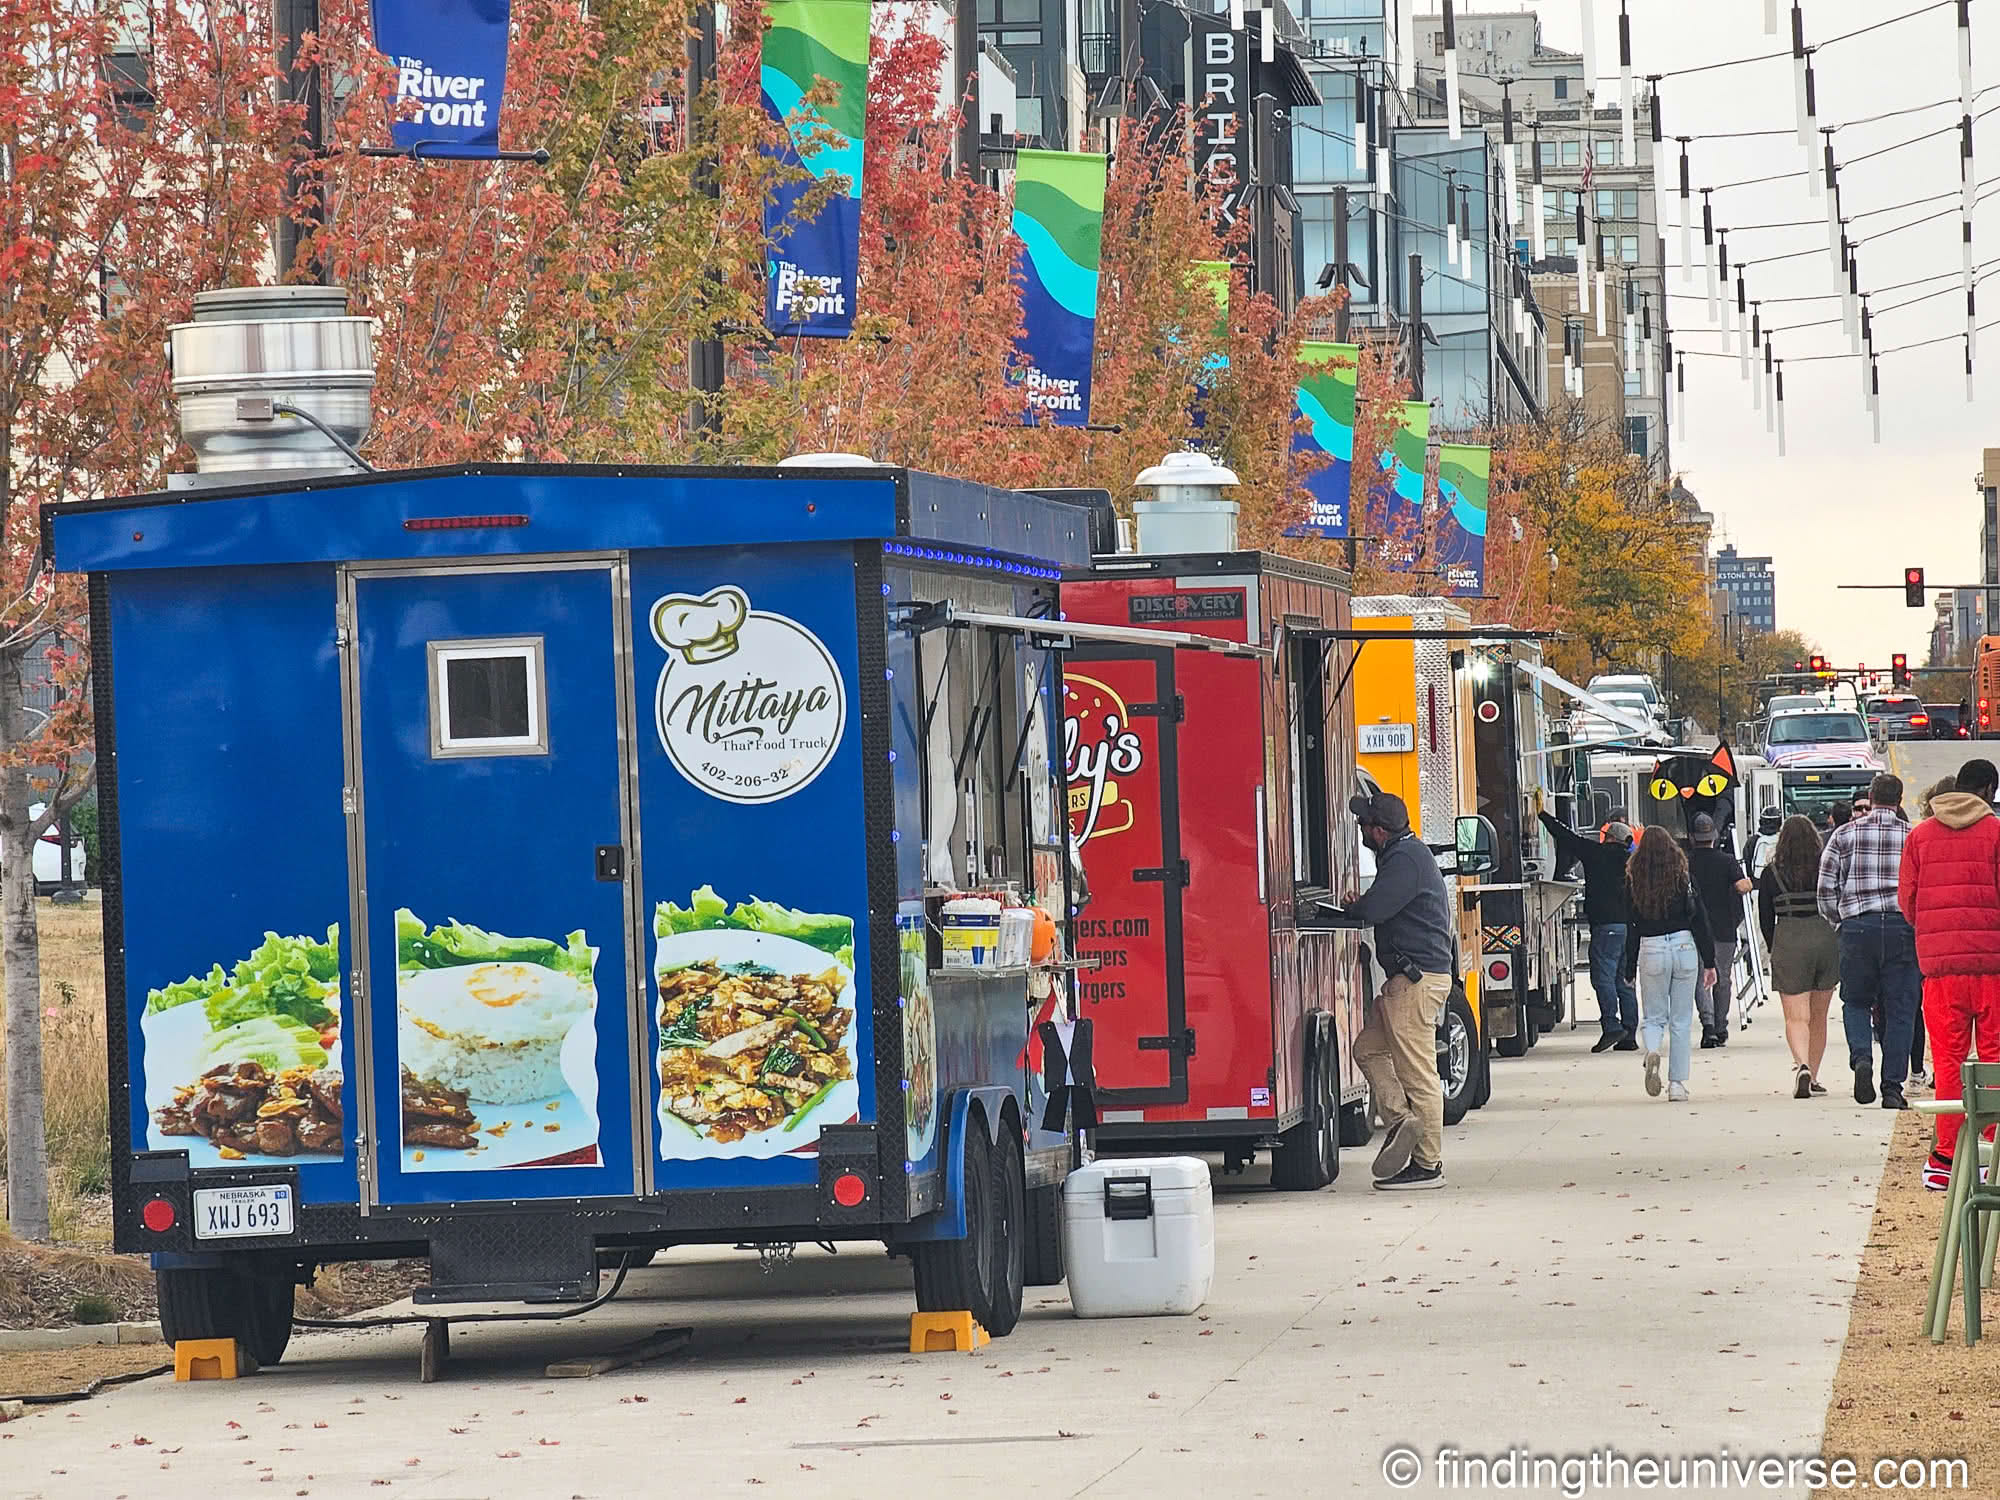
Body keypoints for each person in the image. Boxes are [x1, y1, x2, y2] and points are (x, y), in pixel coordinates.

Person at [1333, 791, 1454, 1192]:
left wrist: (1357, 906)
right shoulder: (1403, 855)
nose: (1360, 829)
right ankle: (1401, 1121)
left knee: (1418, 1073)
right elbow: (1381, 904)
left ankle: (1427, 1163)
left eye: (1364, 824)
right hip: (1408, 981)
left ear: (1379, 831)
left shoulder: (1404, 860)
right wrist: (1362, 903)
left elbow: (1376, 909)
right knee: (1366, 1049)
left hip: (1414, 983)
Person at [1899, 758, 2000, 1189]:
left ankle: (1945, 1158)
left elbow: (1907, 903)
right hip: (1993, 966)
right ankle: (1991, 1153)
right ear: (1989, 789)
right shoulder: (1996, 833)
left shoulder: (1919, 837)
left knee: (1948, 1062)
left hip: (1940, 970)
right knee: (1996, 1059)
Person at [1818, 772, 1920, 1110]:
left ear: (1871, 799)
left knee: (1856, 1002)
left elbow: (1826, 888)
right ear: (1899, 801)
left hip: (1857, 927)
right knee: (1901, 1009)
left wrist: (1841, 921)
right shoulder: (1912, 836)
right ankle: (1892, 1086)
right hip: (1901, 928)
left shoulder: (1844, 834)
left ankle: (1862, 1057)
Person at [1623, 826, 1718, 1103]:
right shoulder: (1683, 876)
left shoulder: (1633, 881)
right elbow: (1700, 919)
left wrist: (1629, 967)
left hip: (1651, 947)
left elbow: (1632, 927)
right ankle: (1677, 1085)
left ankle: (1652, 1049)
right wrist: (1709, 961)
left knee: (1653, 1017)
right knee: (1680, 1020)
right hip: (1684, 945)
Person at [1540, 808, 1640, 1053]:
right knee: (1625, 979)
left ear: (1608, 838)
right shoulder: (1633, 861)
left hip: (1605, 926)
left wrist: (1543, 815)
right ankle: (1629, 1033)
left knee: (1602, 977)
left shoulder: (1595, 853)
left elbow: (1566, 836)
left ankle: (1611, 1025)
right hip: (1629, 927)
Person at [1759, 816, 1840, 1098]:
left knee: (1796, 1017)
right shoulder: (1825, 867)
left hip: (1789, 938)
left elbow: (1765, 918)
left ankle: (1802, 1065)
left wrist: (1775, 947)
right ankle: (1815, 1075)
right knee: (1818, 1016)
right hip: (1824, 936)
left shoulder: (1771, 873)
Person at [1688, 812, 1752, 1049]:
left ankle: (1708, 1026)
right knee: (1722, 978)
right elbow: (1743, 886)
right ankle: (1721, 1025)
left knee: (1700, 979)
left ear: (1693, 838)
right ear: (1714, 837)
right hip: (1724, 927)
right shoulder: (1727, 861)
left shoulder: (1687, 861)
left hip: (1694, 929)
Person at [1742, 806, 1783, 879]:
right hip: (1779, 883)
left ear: (1761, 822)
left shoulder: (1752, 841)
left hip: (1757, 882)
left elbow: (1747, 863)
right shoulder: (1783, 839)